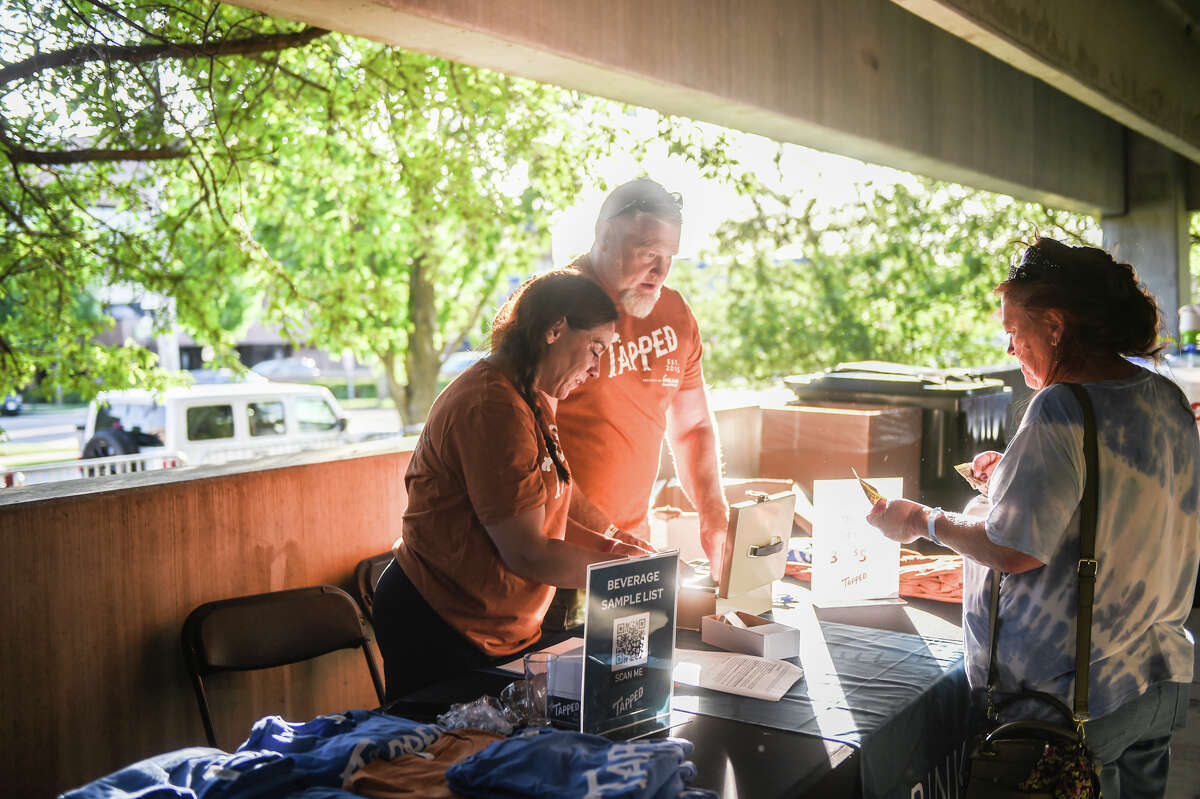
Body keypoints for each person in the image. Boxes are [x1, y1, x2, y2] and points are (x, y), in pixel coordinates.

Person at [866, 237, 1199, 798]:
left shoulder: (1062, 407)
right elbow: (1121, 504)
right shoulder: (1163, 396)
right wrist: (1009, 481)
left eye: (1014, 331)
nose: (1011, 347)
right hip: (1154, 679)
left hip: (1074, 703)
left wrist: (922, 520)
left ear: (1055, 326)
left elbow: (1015, 548)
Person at [372, 269, 649, 700]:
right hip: (439, 623)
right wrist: (625, 575)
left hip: (494, 627)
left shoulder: (530, 393)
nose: (597, 369)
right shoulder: (492, 406)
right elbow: (526, 551)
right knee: (449, 756)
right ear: (555, 329)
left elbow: (553, 492)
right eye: (595, 348)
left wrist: (612, 544)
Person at [556, 178, 730, 571]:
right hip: (556, 556)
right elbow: (525, 451)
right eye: (649, 252)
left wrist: (713, 511)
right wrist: (608, 535)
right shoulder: (551, 307)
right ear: (604, 234)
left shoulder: (675, 313)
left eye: (671, 256)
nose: (661, 269)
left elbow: (694, 426)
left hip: (632, 552)